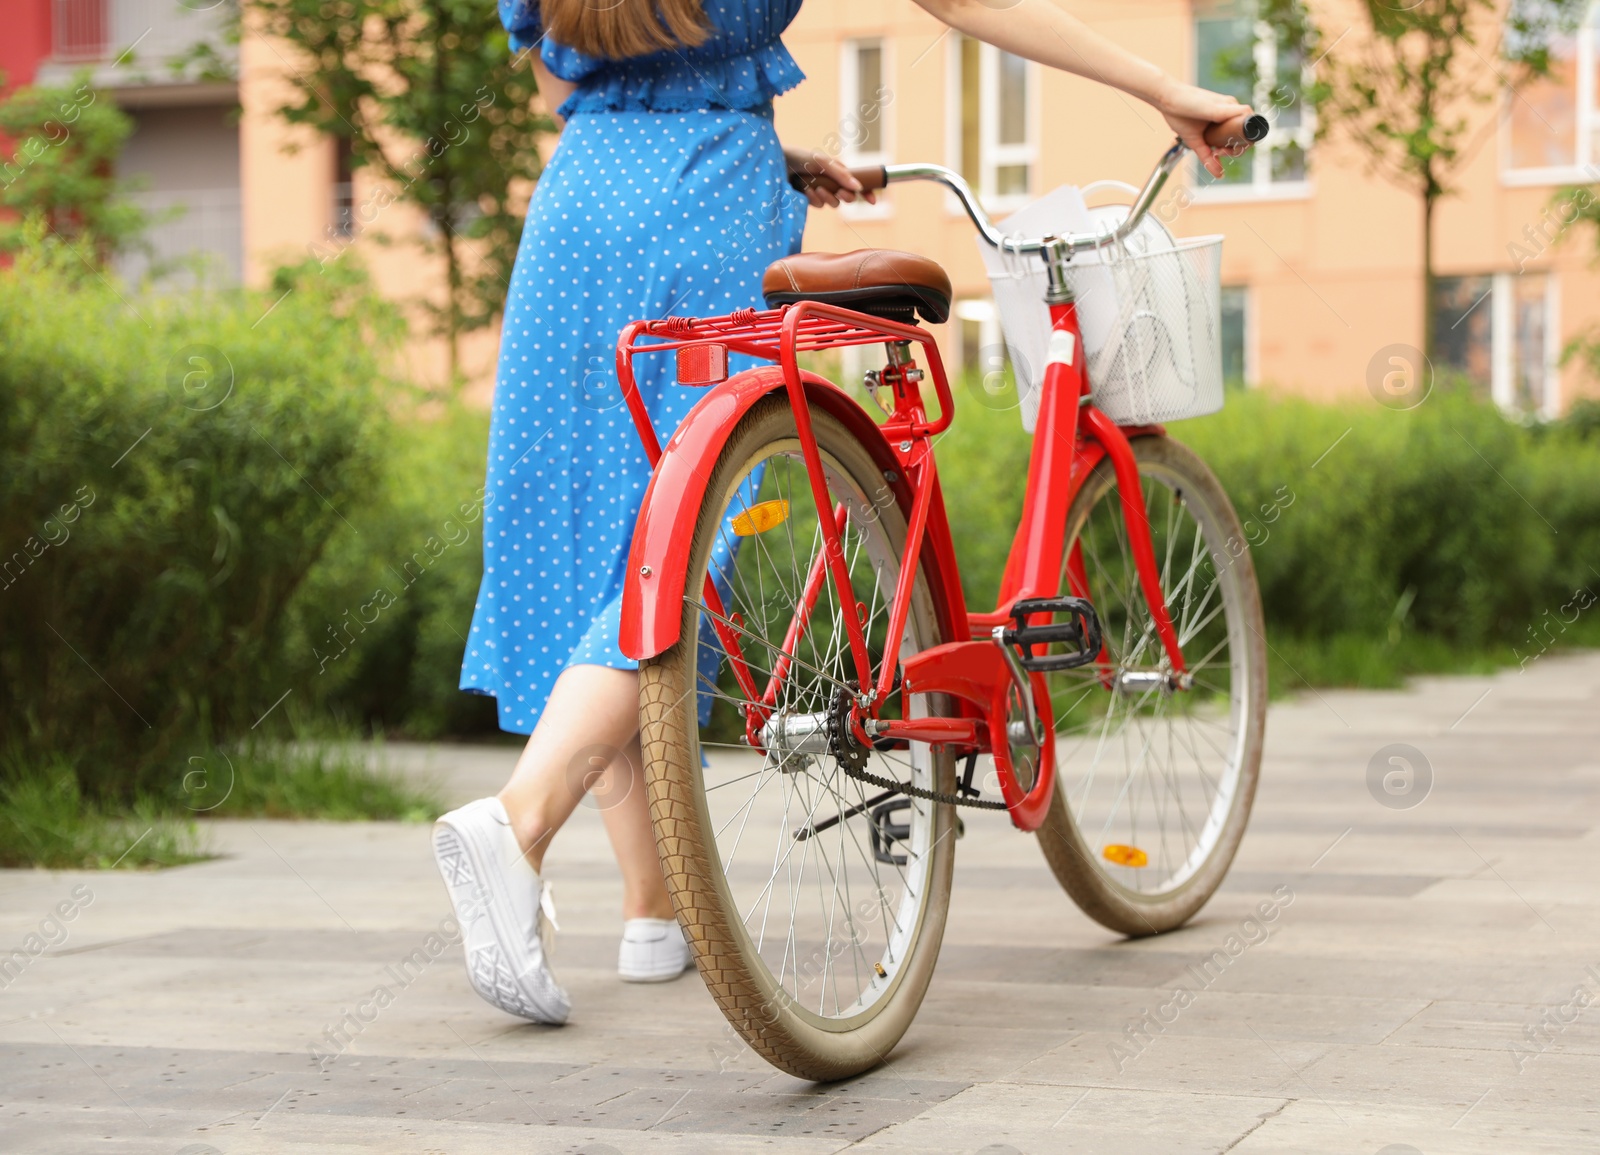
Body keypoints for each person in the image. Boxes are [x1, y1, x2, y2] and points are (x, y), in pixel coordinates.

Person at [433, 0, 1252, 1025]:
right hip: (704, 202)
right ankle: (519, 823)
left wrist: (765, 145)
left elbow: (562, 84)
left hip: (574, 218)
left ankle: (652, 915)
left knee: (604, 547)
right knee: (678, 554)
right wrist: (1166, 91)